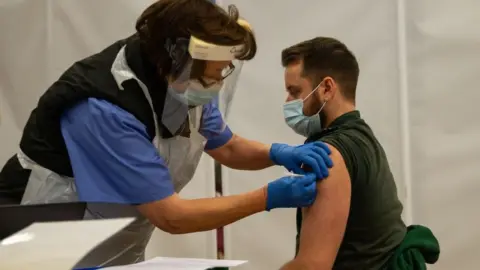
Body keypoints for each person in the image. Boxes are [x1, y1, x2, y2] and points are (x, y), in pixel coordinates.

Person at [0, 1, 334, 268]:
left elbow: (228, 147)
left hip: (110, 248)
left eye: (223, 73)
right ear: (174, 59)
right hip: (43, 248)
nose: (216, 84)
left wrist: (277, 153)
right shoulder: (106, 107)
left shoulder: (185, 86)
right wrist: (267, 198)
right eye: (213, 74)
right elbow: (171, 216)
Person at [277, 37, 440, 270]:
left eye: (294, 92)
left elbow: (312, 266)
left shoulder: (328, 155)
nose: (288, 102)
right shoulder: (363, 138)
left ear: (326, 88)